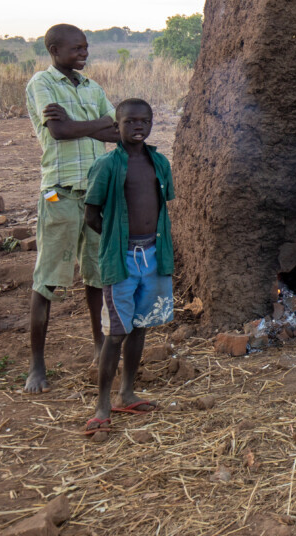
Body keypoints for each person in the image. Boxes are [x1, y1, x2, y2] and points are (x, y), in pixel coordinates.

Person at [24, 24, 118, 394]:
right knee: (47, 280)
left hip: (96, 195)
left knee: (97, 278)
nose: (84, 53)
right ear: (53, 49)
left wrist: (80, 125)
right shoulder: (41, 84)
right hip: (60, 195)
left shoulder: (92, 87)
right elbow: (58, 133)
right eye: (77, 48)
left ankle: (99, 348)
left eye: (86, 47)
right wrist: (96, 126)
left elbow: (116, 129)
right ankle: (37, 365)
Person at [82, 99, 175, 437]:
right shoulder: (107, 165)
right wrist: (116, 238)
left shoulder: (159, 162)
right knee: (117, 332)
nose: (138, 127)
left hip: (153, 254)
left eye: (145, 121)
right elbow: (92, 215)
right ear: (116, 127)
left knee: (140, 326)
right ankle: (102, 404)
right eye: (130, 122)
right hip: (121, 259)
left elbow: (161, 207)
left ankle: (127, 392)